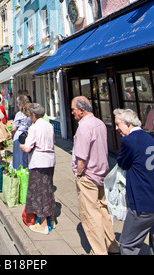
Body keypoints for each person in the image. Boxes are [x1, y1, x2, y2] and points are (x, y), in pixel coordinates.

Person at [71, 96, 120, 255]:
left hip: (88, 176)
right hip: (102, 174)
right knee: (103, 211)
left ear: (82, 109)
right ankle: (113, 246)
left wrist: (79, 174)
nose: (72, 113)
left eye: (74, 110)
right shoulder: (99, 123)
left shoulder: (84, 127)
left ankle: (99, 251)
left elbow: (82, 158)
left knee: (90, 215)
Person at [114, 108, 154, 255]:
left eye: (119, 124)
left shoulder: (129, 140)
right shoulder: (148, 137)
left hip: (141, 201)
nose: (117, 128)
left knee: (127, 244)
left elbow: (123, 163)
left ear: (129, 123)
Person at [20, 103, 56, 235]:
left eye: (30, 115)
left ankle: (43, 225)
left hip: (38, 162)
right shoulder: (49, 126)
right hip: (50, 161)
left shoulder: (34, 128)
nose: (30, 117)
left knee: (39, 192)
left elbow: (28, 148)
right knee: (48, 189)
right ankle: (52, 219)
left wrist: (21, 146)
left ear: (33, 115)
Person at [12, 95, 31, 169]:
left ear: (20, 105)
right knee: (27, 157)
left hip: (19, 137)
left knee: (18, 157)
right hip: (28, 135)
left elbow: (14, 128)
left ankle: (19, 172)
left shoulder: (19, 114)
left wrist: (12, 135)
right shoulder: (30, 114)